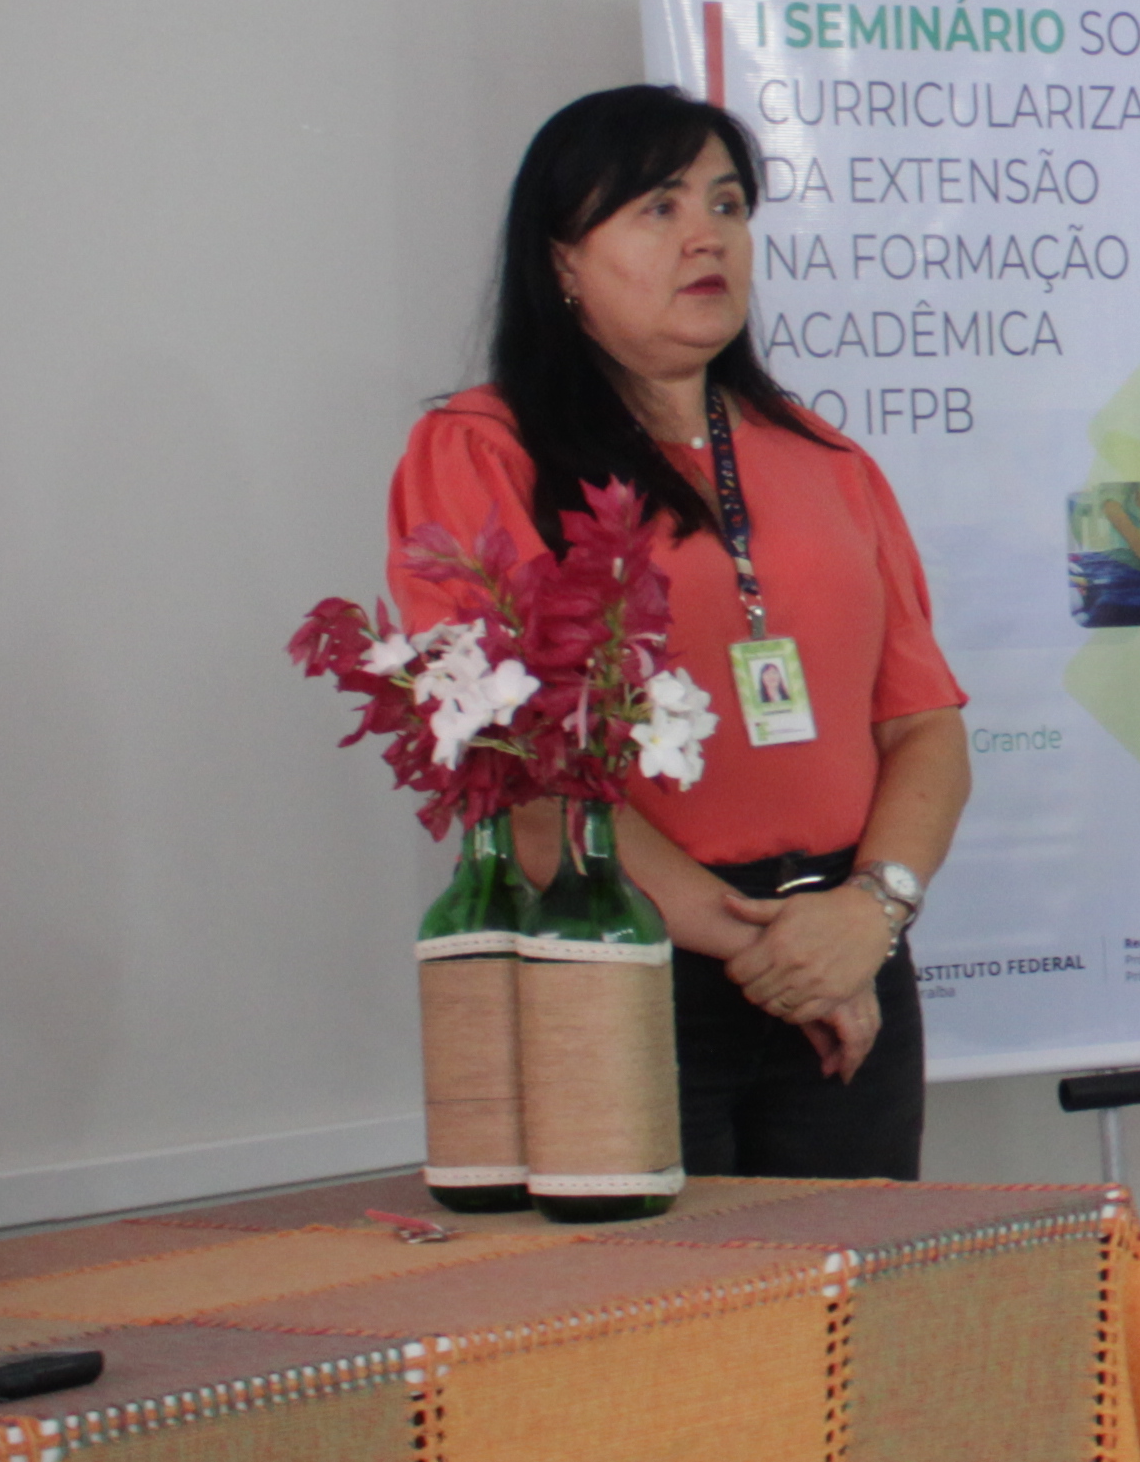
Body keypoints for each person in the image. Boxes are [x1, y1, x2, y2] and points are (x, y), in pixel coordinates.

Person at [386, 89, 970, 1179]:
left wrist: (869, 914)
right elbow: (515, 769)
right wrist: (775, 953)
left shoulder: (825, 460)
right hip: (623, 958)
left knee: (854, 1319)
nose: (708, 235)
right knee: (672, 1325)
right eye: (658, 208)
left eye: (729, 204)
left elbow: (926, 725)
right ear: (562, 258)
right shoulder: (480, 451)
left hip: (847, 945)